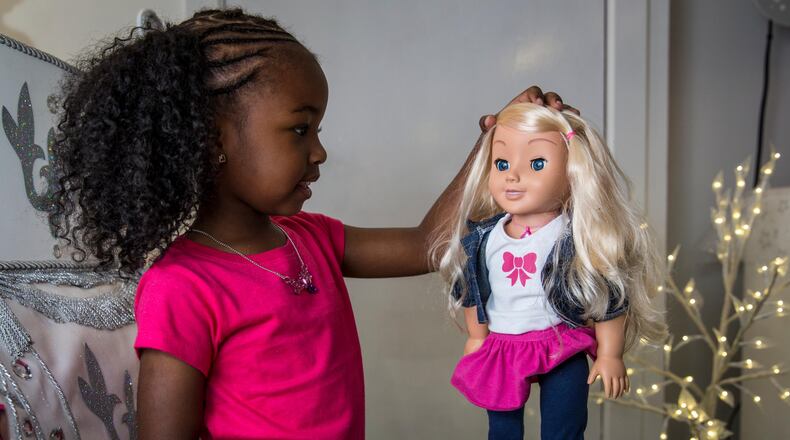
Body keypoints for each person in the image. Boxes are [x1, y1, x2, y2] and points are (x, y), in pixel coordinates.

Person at [49, 8, 574, 439]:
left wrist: (497, 149)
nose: (320, 151)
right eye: (299, 129)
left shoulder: (312, 239)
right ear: (212, 141)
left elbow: (428, 245)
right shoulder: (182, 285)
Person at [431, 102, 666, 440]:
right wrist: (476, 336)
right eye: (501, 163)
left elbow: (607, 295)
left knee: (564, 424)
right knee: (501, 428)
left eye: (537, 163)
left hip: (560, 343)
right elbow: (473, 289)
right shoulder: (485, 238)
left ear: (573, 173)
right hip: (503, 345)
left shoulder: (578, 236)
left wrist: (611, 353)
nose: (512, 175)